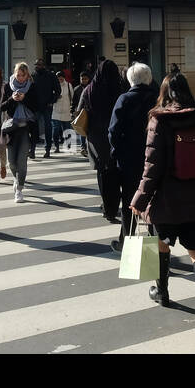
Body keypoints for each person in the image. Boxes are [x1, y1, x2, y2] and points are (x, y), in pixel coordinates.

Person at [130, 70, 195, 336]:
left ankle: (163, 292)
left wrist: (139, 199)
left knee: (161, 245)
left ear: (164, 92)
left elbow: (152, 166)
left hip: (166, 200)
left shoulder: (159, 120)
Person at [108, 63, 158, 251]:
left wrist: (117, 151)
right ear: (149, 78)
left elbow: (113, 131)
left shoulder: (125, 99)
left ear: (130, 80)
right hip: (154, 157)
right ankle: (156, 244)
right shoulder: (157, 98)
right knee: (152, 200)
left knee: (130, 199)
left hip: (129, 158)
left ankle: (127, 241)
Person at [77, 60, 123, 219]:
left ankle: (108, 208)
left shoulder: (89, 90)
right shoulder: (120, 89)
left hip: (96, 137)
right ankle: (115, 205)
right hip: (116, 135)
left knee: (103, 173)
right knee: (116, 173)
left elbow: (79, 111)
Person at [4, 62, 39, 201]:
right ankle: (15, 178)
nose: (19, 78)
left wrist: (24, 99)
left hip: (26, 128)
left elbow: (37, 106)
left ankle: (19, 189)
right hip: (11, 128)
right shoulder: (8, 86)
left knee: (22, 161)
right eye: (17, 75)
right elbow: (2, 107)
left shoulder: (32, 87)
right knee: (12, 161)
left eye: (22, 75)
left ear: (27, 76)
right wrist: (12, 99)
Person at [27, 58, 59, 158]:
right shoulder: (32, 75)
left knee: (47, 128)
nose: (37, 66)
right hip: (35, 106)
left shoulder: (50, 75)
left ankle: (48, 149)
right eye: (36, 65)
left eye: (39, 65)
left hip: (47, 106)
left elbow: (58, 90)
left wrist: (52, 102)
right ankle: (32, 150)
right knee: (33, 129)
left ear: (44, 66)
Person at [52, 70, 73, 152]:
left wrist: (71, 108)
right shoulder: (53, 85)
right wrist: (56, 97)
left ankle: (68, 144)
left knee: (67, 129)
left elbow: (72, 96)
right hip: (56, 111)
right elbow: (51, 96)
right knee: (55, 130)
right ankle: (56, 146)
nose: (60, 79)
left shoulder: (68, 85)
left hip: (66, 110)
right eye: (58, 78)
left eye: (61, 78)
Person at [72, 71, 91, 155]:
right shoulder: (76, 89)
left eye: (85, 79)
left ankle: (88, 147)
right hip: (80, 112)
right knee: (81, 129)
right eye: (82, 79)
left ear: (88, 79)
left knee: (88, 130)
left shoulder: (91, 88)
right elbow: (74, 101)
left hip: (89, 112)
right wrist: (72, 111)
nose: (83, 80)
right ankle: (83, 147)